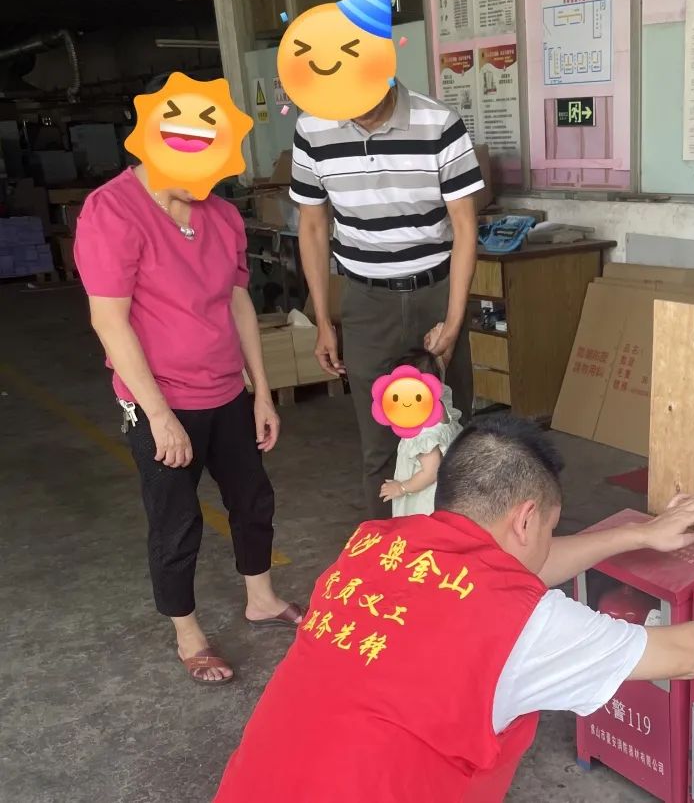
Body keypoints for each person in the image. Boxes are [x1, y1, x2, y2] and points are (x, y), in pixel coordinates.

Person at [214, 416, 694, 800]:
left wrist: (640, 534)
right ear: (526, 518)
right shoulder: (521, 626)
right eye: (549, 528)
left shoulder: (374, 546)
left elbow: (512, 571)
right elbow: (689, 652)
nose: (545, 542)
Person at [75, 162, 304, 685]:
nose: (206, 184)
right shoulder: (112, 210)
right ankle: (187, 632)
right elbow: (108, 319)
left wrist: (261, 391)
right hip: (160, 400)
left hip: (227, 390)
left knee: (253, 499)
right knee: (176, 519)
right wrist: (159, 416)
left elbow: (238, 303)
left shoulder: (221, 214)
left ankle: (261, 599)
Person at [291, 78, 483, 520]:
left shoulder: (439, 122)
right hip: (365, 301)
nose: (354, 107)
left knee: (451, 429)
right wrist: (323, 321)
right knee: (379, 443)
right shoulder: (312, 128)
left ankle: (458, 544)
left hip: (436, 294)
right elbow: (313, 226)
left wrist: (454, 320)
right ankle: (386, 549)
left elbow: (465, 225)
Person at [378, 356, 464, 517]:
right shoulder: (441, 407)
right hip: (448, 492)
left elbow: (431, 472)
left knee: (421, 529)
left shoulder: (423, 433)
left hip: (426, 501)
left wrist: (402, 488)